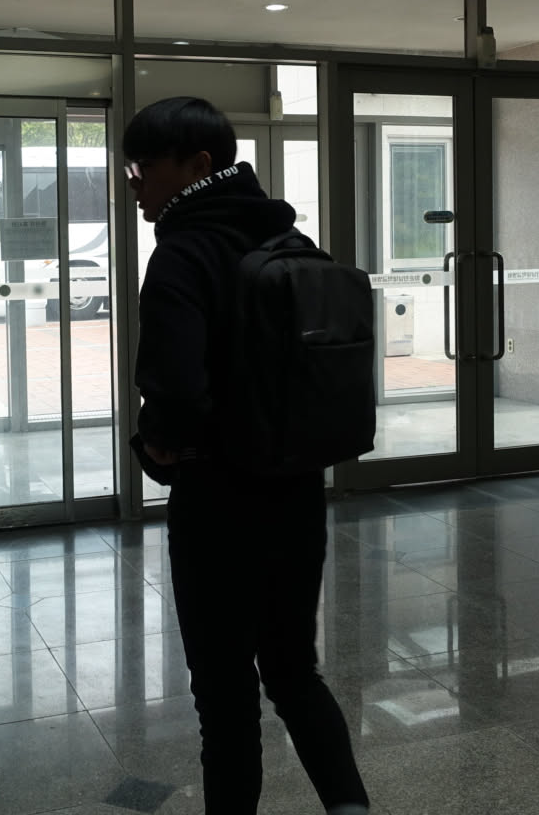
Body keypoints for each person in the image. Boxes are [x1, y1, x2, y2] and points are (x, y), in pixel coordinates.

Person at [125, 96, 370, 815]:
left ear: (198, 165)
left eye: (144, 168)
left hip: (218, 502)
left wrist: (158, 445)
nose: (135, 184)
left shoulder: (183, 252)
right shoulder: (289, 239)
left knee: (225, 694)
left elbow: (175, 389)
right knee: (293, 672)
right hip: (296, 491)